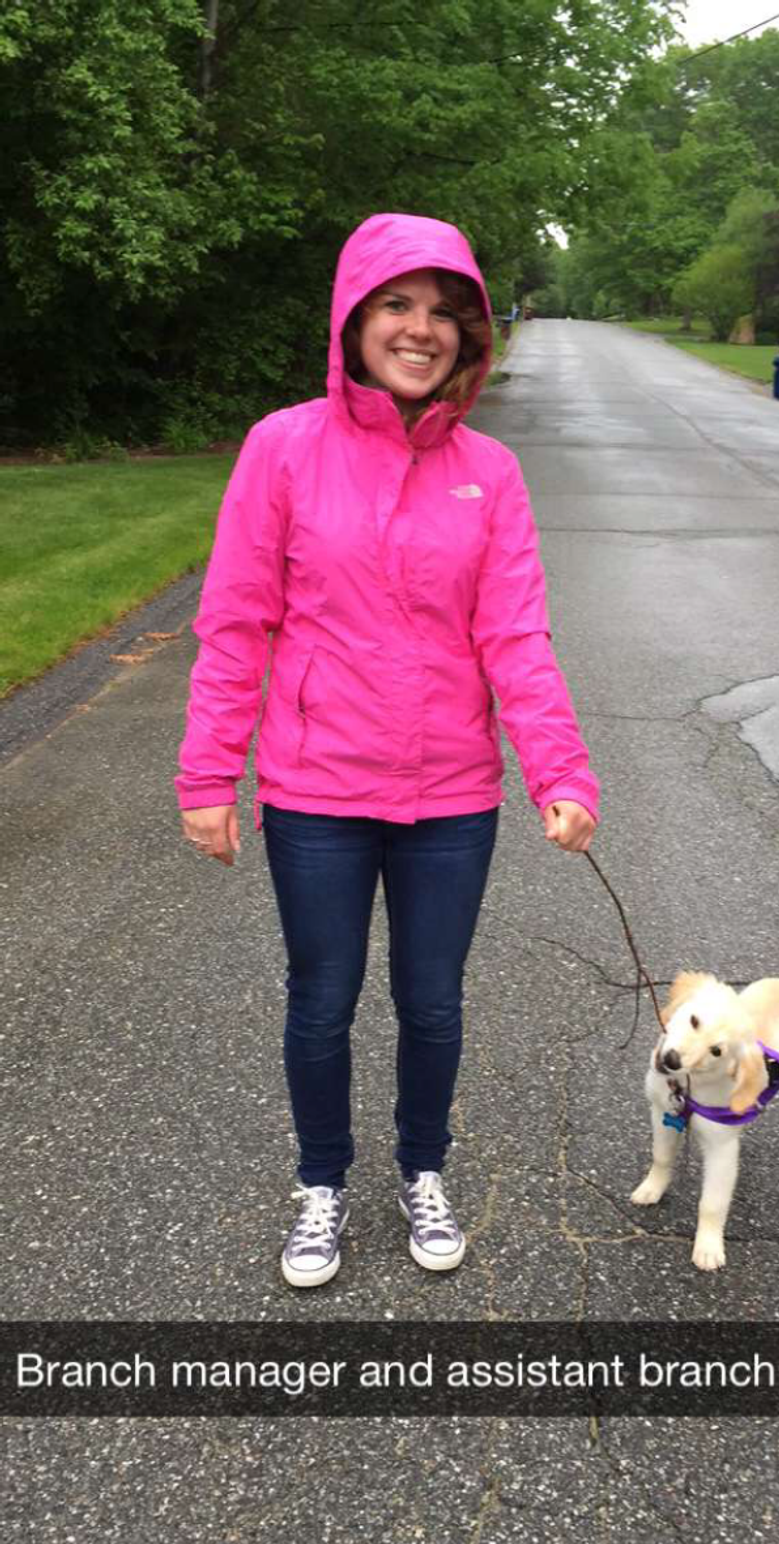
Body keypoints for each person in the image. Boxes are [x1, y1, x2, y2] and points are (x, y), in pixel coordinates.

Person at [175, 211, 599, 1288]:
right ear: (354, 321)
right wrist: (208, 772)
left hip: (450, 797)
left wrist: (558, 770)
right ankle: (321, 1183)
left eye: (442, 313)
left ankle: (423, 1169)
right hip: (316, 790)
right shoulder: (283, 447)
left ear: (468, 334)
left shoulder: (489, 471)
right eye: (396, 306)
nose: (419, 330)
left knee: (433, 1001)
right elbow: (237, 620)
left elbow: (515, 634)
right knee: (321, 1000)